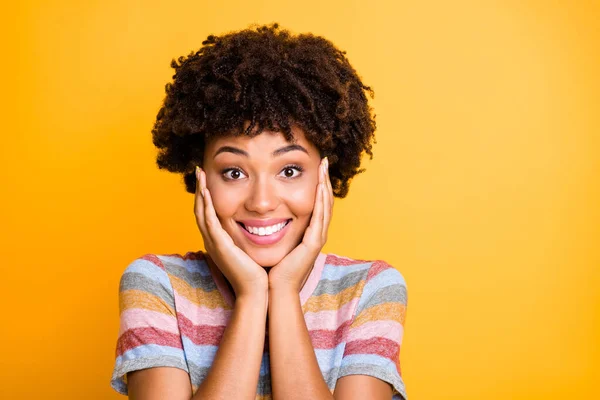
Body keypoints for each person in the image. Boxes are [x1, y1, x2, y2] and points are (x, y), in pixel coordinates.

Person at [110, 23, 408, 400]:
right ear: (200, 177)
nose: (262, 202)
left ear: (325, 174)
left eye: (289, 170)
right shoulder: (157, 285)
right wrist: (252, 296)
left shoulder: (369, 290)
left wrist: (282, 291)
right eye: (234, 172)